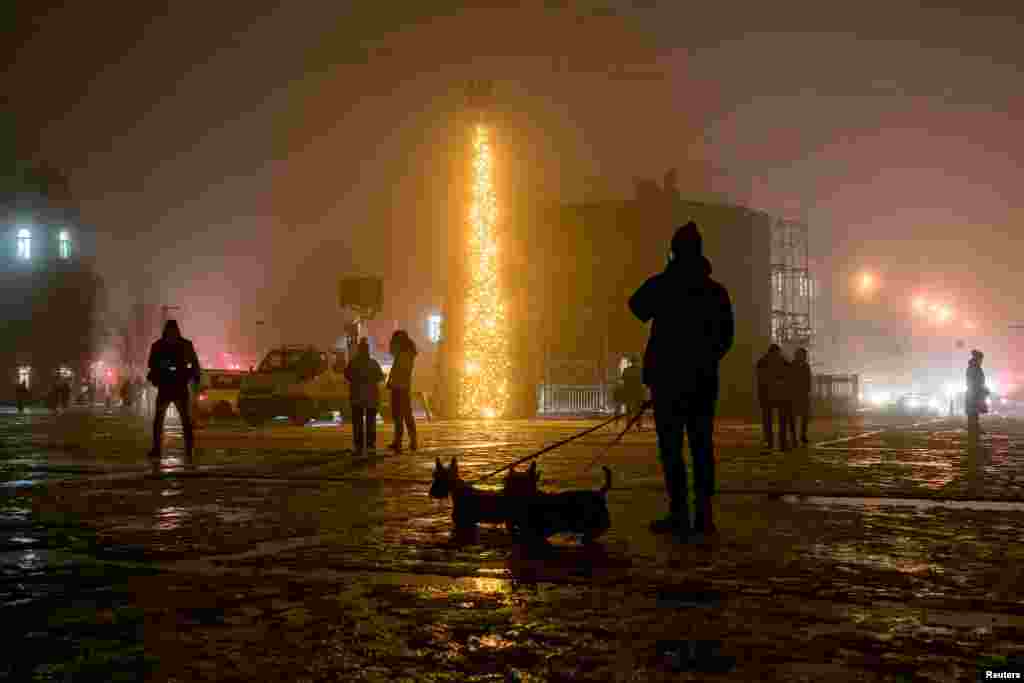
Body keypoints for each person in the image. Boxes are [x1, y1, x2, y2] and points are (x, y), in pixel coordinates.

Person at [629, 221, 734, 540]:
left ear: (674, 252)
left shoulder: (664, 285)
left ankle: (678, 513)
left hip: (668, 383)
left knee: (672, 449)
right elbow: (726, 338)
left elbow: (635, 306)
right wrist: (704, 359)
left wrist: (667, 274)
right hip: (702, 382)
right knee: (702, 447)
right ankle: (704, 515)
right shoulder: (716, 291)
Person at [146, 320, 201, 459]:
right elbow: (194, 364)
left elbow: (194, 364)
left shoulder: (160, 345)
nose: (171, 334)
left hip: (173, 386)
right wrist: (194, 378)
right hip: (171, 387)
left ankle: (184, 449)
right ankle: (184, 449)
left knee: (176, 420)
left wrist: (193, 378)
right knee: (173, 420)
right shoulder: (182, 345)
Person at [345, 338, 384, 455]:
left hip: (357, 397)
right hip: (371, 396)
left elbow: (347, 375)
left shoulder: (353, 363)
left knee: (358, 423)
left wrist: (357, 380)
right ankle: (370, 445)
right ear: (368, 351)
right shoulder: (373, 363)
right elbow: (380, 377)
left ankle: (359, 446)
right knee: (370, 422)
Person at [387, 330, 418, 452]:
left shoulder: (403, 355)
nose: (392, 344)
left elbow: (399, 371)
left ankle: (403, 441)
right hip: (402, 387)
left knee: (401, 415)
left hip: (400, 388)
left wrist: (392, 382)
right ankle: (405, 441)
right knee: (404, 415)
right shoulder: (406, 354)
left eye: (394, 341)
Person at [757, 344, 791, 451]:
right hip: (778, 395)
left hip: (768, 395)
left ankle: (770, 441)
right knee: (780, 420)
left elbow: (760, 379)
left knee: (768, 420)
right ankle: (781, 442)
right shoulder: (781, 361)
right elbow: (789, 371)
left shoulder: (762, 362)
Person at [788, 347, 812, 446]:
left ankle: (801, 435)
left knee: (803, 417)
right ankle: (795, 436)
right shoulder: (794, 365)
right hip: (796, 394)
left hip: (802, 394)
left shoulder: (804, 366)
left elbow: (808, 379)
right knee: (794, 417)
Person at [966, 349, 989, 437]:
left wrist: (983, 389)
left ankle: (975, 428)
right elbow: (974, 381)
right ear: (977, 359)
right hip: (974, 393)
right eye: (981, 359)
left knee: (974, 412)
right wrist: (980, 389)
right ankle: (973, 429)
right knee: (973, 412)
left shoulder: (975, 367)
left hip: (976, 392)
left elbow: (979, 381)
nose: (981, 361)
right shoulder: (974, 368)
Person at [621, 354, 647, 431]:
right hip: (638, 392)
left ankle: (628, 425)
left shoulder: (626, 370)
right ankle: (639, 425)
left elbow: (623, 381)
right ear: (637, 362)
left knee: (628, 410)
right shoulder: (641, 370)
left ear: (631, 362)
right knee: (638, 410)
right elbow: (644, 383)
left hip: (629, 392)